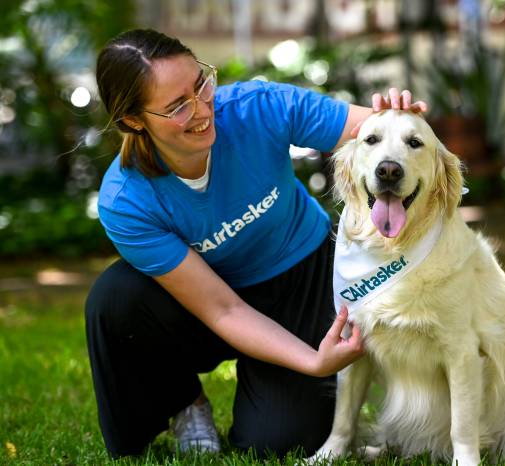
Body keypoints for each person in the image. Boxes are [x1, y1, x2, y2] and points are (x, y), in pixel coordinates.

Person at [85, 28, 426, 459]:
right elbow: (223, 309)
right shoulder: (126, 200)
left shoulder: (255, 108)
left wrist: (396, 119)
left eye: (200, 84)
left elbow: (368, 128)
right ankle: (186, 403)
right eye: (176, 106)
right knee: (116, 298)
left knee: (281, 442)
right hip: (213, 301)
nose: (201, 109)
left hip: (303, 273)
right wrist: (310, 362)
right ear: (134, 120)